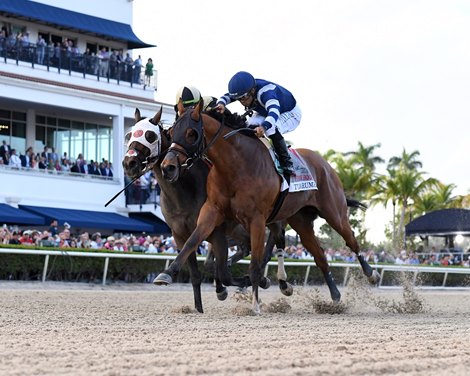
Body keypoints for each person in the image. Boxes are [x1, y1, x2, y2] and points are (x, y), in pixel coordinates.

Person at [216, 71, 301, 181]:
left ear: (252, 90)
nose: (242, 102)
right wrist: (221, 104)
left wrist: (264, 127)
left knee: (270, 128)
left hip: (289, 113)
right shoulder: (245, 90)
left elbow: (274, 113)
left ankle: (287, 162)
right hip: (266, 110)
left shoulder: (266, 93)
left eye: (244, 98)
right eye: (239, 99)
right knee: (249, 126)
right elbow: (226, 96)